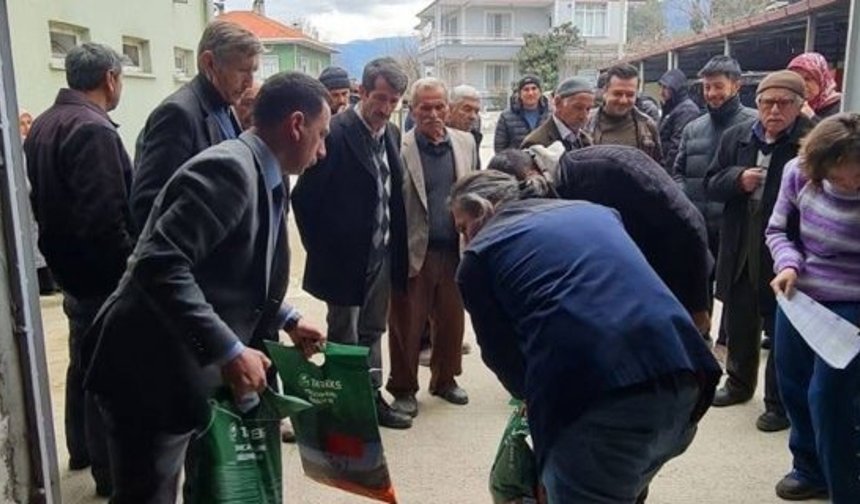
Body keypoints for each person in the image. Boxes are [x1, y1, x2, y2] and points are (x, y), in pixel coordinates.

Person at [82, 72, 328, 503]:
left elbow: (227, 268)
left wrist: (285, 317)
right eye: (321, 135)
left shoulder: (266, 171)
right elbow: (158, 263)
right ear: (296, 125)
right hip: (149, 370)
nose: (322, 150)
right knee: (148, 495)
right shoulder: (230, 169)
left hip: (187, 366)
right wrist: (229, 350)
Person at [452, 171, 721, 503]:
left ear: (483, 210)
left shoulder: (480, 256)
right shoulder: (592, 211)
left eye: (463, 227)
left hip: (601, 405)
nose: (463, 239)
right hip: (686, 379)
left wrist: (536, 406)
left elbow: (507, 363)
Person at [24, 42, 134, 497]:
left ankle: (81, 450)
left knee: (80, 363)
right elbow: (106, 218)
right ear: (110, 79)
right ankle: (109, 472)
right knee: (106, 376)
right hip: (100, 276)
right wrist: (131, 271)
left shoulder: (46, 124)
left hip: (66, 269)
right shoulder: (93, 130)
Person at [291, 57, 413, 430]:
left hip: (381, 254)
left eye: (393, 101)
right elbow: (303, 199)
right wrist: (325, 251)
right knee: (344, 335)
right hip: (344, 261)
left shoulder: (391, 134)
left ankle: (371, 397)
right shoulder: (336, 133)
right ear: (361, 91)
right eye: (379, 97)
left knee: (373, 330)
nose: (385, 108)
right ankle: (345, 409)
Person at [704, 70, 814, 432]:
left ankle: (778, 403)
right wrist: (738, 179)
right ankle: (737, 382)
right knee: (738, 316)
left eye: (784, 103)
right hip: (740, 239)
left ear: (799, 107)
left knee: (781, 328)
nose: (774, 111)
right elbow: (710, 182)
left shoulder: (809, 143)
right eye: (767, 102)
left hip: (784, 247)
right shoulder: (738, 136)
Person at [765, 113, 860, 502]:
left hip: (852, 304)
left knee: (830, 399)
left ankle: (846, 488)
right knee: (795, 387)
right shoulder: (798, 174)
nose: (849, 184)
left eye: (857, 178)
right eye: (839, 178)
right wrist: (788, 264)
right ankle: (808, 467)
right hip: (800, 298)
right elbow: (777, 231)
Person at [386, 78, 477, 417]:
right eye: (426, 107)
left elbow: (474, 189)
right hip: (413, 251)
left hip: (454, 248)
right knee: (406, 324)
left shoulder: (465, 142)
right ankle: (403, 388)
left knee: (452, 321)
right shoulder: (398, 145)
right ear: (412, 110)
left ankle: (445, 380)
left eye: (440, 106)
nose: (434, 114)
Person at [131, 19, 262, 228]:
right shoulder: (178, 114)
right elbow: (148, 204)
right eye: (242, 71)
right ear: (209, 63)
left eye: (253, 72)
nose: (249, 83)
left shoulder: (225, 106)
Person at [674, 55, 757, 354]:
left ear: (736, 85)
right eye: (707, 87)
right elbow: (678, 171)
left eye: (718, 86)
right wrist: (685, 202)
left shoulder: (755, 125)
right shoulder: (693, 128)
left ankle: (732, 351)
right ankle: (700, 342)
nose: (711, 94)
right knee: (697, 285)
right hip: (697, 223)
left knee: (736, 293)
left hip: (737, 226)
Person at [585, 63, 662, 164]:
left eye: (630, 95)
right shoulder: (585, 124)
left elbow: (658, 168)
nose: (623, 100)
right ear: (605, 92)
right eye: (617, 94)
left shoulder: (647, 126)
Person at [521, 77, 594, 151]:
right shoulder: (537, 143)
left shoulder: (586, 142)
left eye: (588, 109)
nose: (584, 116)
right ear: (558, 103)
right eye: (578, 108)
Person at [657, 68, 701, 173]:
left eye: (665, 88)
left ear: (675, 88)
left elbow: (677, 145)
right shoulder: (671, 108)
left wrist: (666, 174)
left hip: (673, 171)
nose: (661, 92)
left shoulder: (686, 110)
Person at [493, 74, 550, 153]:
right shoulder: (506, 117)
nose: (530, 93)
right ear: (519, 94)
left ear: (540, 92)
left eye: (534, 88)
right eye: (526, 89)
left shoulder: (550, 115)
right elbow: (499, 148)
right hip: (517, 163)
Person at [787, 52, 842, 123]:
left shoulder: (840, 106)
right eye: (797, 79)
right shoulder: (790, 104)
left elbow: (836, 133)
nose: (802, 84)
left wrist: (811, 117)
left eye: (807, 79)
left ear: (821, 80)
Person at [446, 84, 483, 167]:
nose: (473, 116)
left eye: (476, 111)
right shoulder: (436, 138)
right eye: (467, 110)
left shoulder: (473, 137)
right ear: (450, 109)